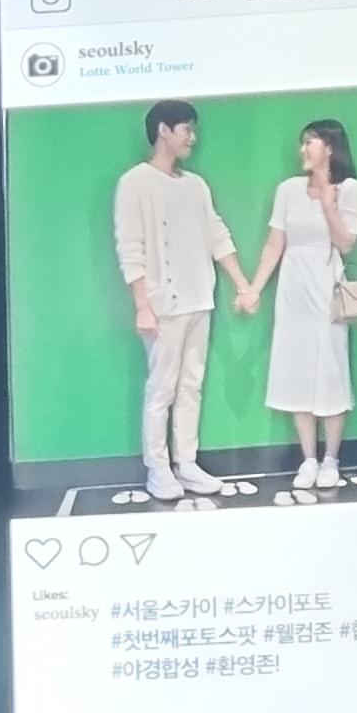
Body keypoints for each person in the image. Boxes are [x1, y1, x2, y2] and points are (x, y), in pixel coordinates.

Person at [109, 102, 255, 502]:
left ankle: (186, 462)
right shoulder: (135, 183)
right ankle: (157, 467)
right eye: (186, 129)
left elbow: (216, 234)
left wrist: (242, 283)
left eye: (192, 129)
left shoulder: (196, 185)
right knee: (162, 389)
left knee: (192, 385)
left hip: (198, 300)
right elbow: (130, 248)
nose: (192, 137)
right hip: (162, 305)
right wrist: (142, 304)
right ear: (163, 130)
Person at [247, 117, 357, 489]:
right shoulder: (288, 190)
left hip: (326, 289)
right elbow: (274, 244)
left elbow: (346, 243)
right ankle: (308, 458)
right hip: (293, 290)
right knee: (297, 370)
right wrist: (254, 288)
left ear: (329, 147)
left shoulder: (350, 189)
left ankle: (331, 459)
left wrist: (329, 204)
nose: (303, 149)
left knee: (331, 370)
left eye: (309, 142)